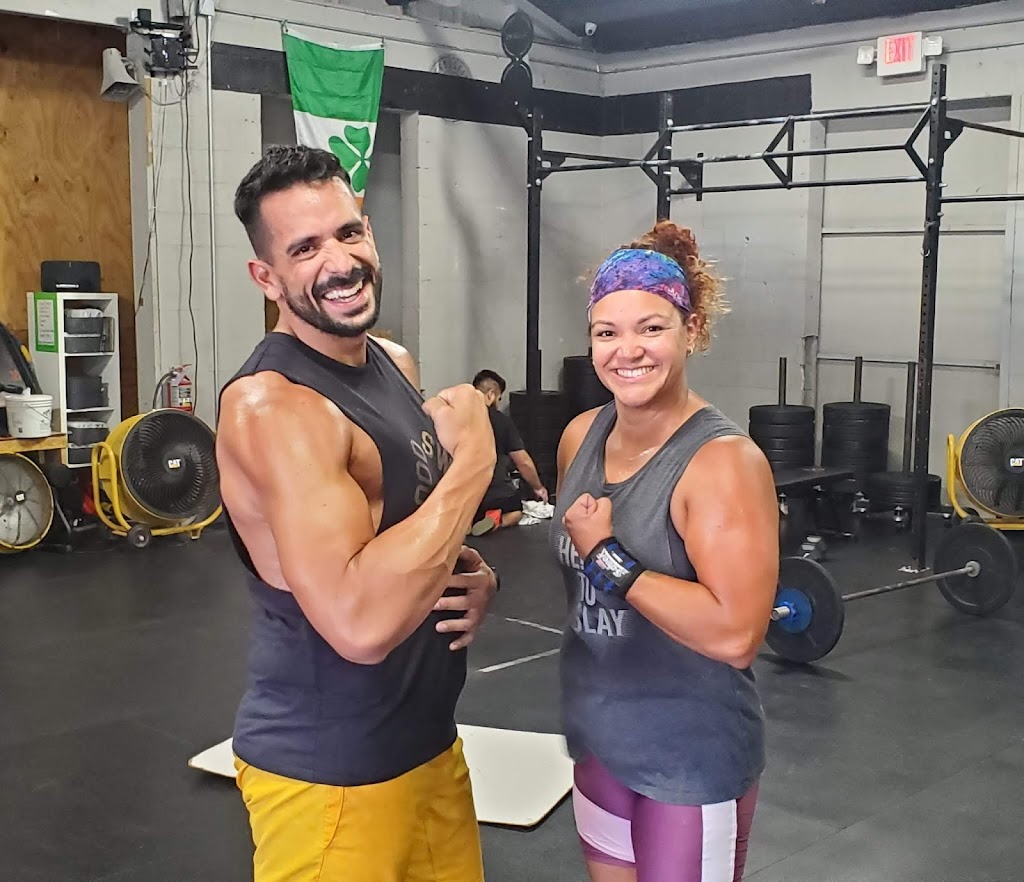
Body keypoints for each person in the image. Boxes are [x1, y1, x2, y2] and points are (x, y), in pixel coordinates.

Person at [215, 144, 499, 882]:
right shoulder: (274, 407)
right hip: (330, 778)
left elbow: (407, 531)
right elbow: (360, 624)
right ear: (266, 278)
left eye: (348, 232)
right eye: (305, 248)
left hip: (429, 748)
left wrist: (469, 574)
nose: (339, 263)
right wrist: (477, 461)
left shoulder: (392, 362)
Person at [551, 221, 779, 882]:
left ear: (691, 329)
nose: (627, 351)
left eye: (651, 328)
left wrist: (608, 556)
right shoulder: (580, 437)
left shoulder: (722, 463)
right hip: (600, 742)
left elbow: (735, 635)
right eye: (607, 333)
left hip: (689, 757)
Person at [469, 368, 549, 535]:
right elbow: (523, 462)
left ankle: (466, 522)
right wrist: (538, 487)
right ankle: (497, 520)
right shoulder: (501, 421)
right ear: (491, 395)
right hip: (495, 494)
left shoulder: (455, 418)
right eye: (499, 398)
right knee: (516, 511)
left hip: (465, 497)